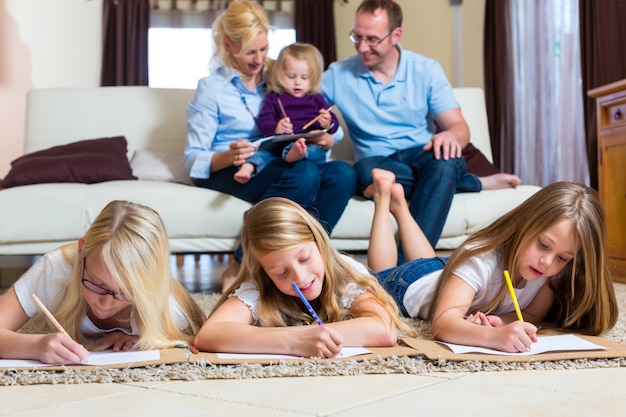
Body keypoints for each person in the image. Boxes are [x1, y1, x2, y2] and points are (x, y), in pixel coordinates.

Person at [185, 0, 356, 291]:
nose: (259, 59)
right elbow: (192, 159)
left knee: (342, 174)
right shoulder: (211, 88)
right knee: (305, 174)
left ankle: (314, 260)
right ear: (228, 44)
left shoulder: (282, 75)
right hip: (233, 169)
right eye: (249, 51)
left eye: (263, 49)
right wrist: (229, 155)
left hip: (284, 159)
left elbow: (316, 109)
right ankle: (241, 265)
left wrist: (329, 137)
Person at [322, 0, 520, 249]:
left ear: (396, 35)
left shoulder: (425, 70)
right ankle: (469, 183)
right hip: (377, 160)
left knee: (449, 160)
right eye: (357, 37)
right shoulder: (338, 75)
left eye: (372, 39)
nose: (362, 47)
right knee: (364, 174)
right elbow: (299, 99)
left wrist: (450, 136)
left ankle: (409, 267)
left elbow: (459, 127)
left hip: (422, 153)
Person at [367, 168, 618, 353]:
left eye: (562, 258)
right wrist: (492, 336)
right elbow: (442, 324)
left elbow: (529, 314)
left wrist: (501, 322)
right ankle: (383, 199)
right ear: (525, 223)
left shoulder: (552, 276)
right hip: (410, 283)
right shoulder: (481, 260)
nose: (546, 263)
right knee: (380, 276)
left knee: (429, 262)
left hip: (447, 273)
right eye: (543, 245)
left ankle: (400, 206)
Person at [193, 197, 416, 357]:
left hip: (403, 278)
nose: (300, 277)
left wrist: (313, 336)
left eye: (304, 258)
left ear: (319, 243)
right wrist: (294, 341)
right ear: (264, 273)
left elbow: (384, 331)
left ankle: (386, 197)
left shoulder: (344, 273)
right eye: (281, 272)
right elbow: (209, 334)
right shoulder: (259, 288)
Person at [0, 200, 205, 364]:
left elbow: (199, 341)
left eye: (125, 293)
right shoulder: (55, 270)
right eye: (96, 284)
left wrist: (144, 341)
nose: (105, 304)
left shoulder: (168, 306)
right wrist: (34, 346)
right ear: (81, 251)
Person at [235, 43, 339, 184]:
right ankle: (248, 167)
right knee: (266, 149)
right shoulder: (275, 97)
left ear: (313, 78)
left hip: (307, 143)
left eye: (304, 78)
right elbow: (264, 122)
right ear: (280, 74)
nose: (297, 82)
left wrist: (327, 122)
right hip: (281, 142)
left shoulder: (316, 98)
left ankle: (295, 154)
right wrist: (277, 127)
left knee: (317, 153)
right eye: (291, 76)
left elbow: (334, 123)